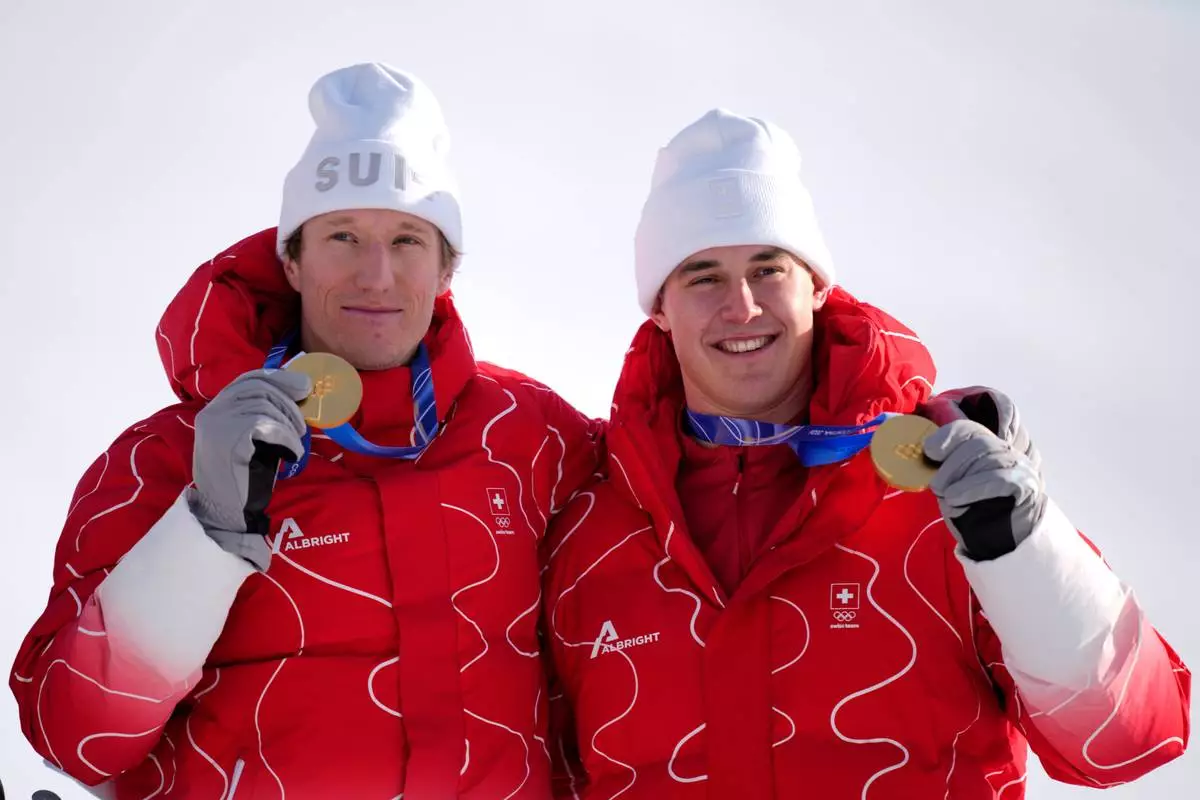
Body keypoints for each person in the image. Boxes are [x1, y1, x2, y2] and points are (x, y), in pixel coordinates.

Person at [544, 108, 1190, 798]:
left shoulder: (946, 489)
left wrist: (1023, 551)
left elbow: (1128, 740)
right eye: (703, 276)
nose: (741, 305)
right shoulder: (590, 527)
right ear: (660, 308)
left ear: (819, 286)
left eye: (769, 269)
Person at [10, 62, 600, 799]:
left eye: (409, 240)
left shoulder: (535, 436)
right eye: (343, 236)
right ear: (290, 257)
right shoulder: (164, 456)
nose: (376, 276)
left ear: (448, 266)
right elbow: (76, 736)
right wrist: (206, 533)